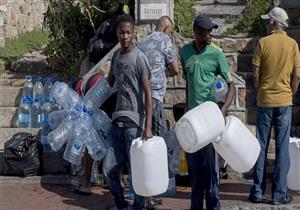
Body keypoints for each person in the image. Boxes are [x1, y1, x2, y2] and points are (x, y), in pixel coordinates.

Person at [179, 15, 235, 210]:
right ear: (196, 32)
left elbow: (231, 85)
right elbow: (188, 84)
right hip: (193, 124)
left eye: (211, 30)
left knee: (211, 173)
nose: (210, 34)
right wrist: (186, 109)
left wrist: (223, 110)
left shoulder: (217, 54)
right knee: (194, 173)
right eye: (206, 31)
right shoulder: (184, 52)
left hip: (210, 122)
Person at [249, 7, 300, 205]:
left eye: (268, 22)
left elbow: (255, 74)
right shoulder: (293, 45)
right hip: (284, 101)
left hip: (265, 101)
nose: (266, 25)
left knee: (260, 147)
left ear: (274, 23)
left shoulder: (263, 43)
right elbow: (297, 76)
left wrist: (260, 90)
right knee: (282, 148)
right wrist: (290, 93)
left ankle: (258, 192)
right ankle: (279, 194)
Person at [104, 14, 153, 210]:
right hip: (117, 123)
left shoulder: (140, 58)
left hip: (135, 125)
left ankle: (138, 207)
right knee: (109, 169)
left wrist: (148, 127)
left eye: (128, 32)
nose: (124, 36)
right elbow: (109, 83)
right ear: (117, 33)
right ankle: (121, 204)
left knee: (137, 172)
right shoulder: (115, 56)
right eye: (121, 32)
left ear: (133, 34)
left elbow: (149, 94)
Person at [138, 15, 180, 209]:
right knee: (159, 144)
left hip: (139, 100)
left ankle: (144, 194)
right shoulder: (164, 40)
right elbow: (176, 69)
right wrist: (166, 72)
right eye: (171, 32)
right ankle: (154, 192)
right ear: (166, 29)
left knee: (144, 145)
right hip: (154, 99)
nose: (170, 35)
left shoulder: (143, 40)